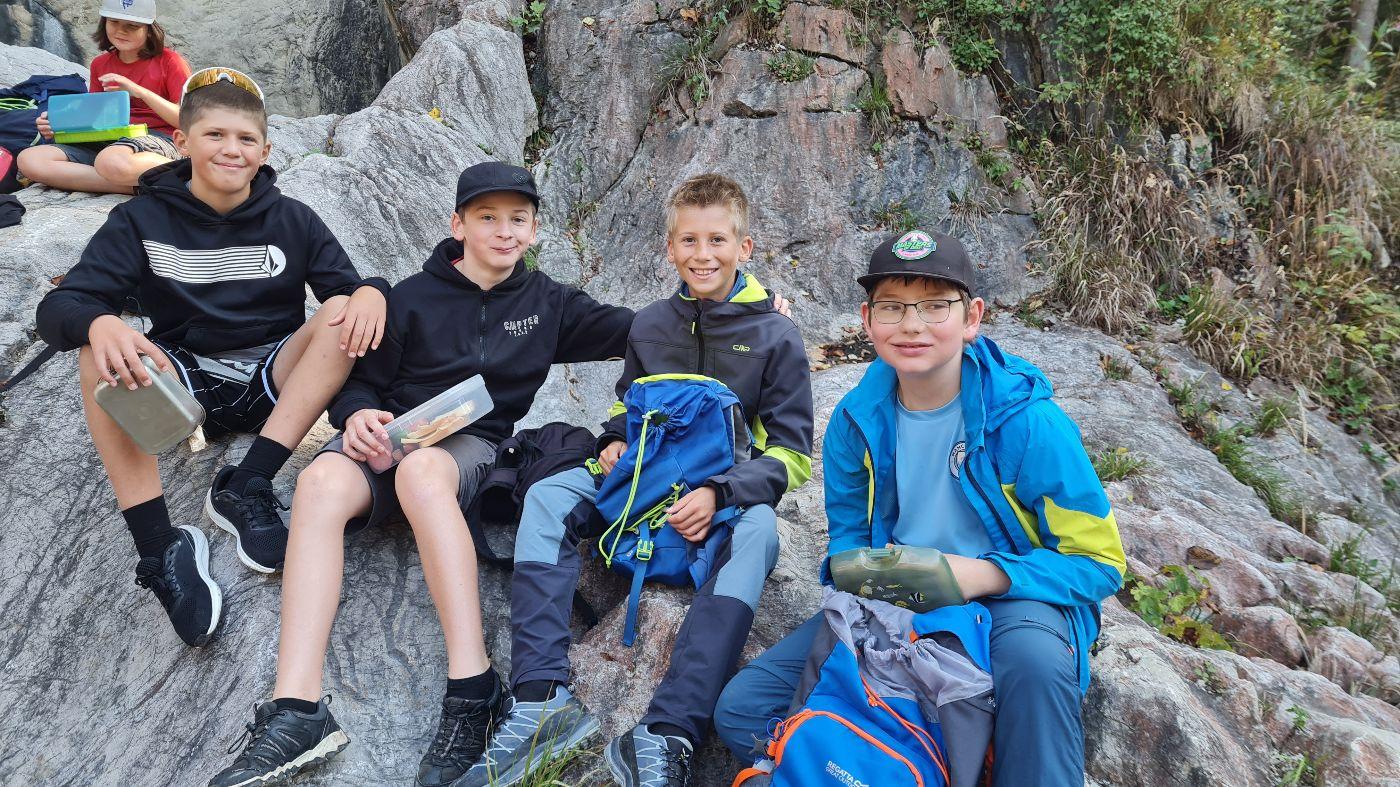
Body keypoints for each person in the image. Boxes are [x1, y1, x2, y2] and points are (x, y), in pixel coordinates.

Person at [206, 162, 641, 787]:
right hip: (389, 439)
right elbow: (359, 381)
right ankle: (297, 709)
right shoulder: (411, 297)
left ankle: (473, 686)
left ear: (535, 230)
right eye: (487, 218)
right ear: (457, 225)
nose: (504, 231)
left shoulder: (551, 304)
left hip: (469, 448)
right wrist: (356, 417)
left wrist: (748, 306)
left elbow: (648, 330)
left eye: (518, 219)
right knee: (318, 485)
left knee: (423, 474)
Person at [712, 230, 1127, 785]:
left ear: (972, 317)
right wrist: (859, 578)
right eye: (892, 306)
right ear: (867, 320)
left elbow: (1100, 563)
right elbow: (848, 537)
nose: (912, 325)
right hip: (901, 594)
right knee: (745, 708)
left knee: (1034, 668)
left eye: (935, 306)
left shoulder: (1027, 422)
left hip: (1014, 597)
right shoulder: (855, 423)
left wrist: (982, 574)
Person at [466, 174, 815, 787]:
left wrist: (722, 493)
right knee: (548, 494)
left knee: (760, 533)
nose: (702, 254)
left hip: (724, 495)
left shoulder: (775, 335)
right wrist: (611, 440)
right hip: (641, 481)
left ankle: (668, 733)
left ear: (744, 247)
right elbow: (627, 404)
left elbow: (792, 456)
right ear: (670, 247)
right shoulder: (651, 325)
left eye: (717, 240)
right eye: (689, 240)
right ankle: (540, 699)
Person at [34, 68, 389, 648]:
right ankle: (161, 548)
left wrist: (373, 291)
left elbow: (345, 288)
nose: (231, 149)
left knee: (342, 311)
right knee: (96, 353)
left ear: (265, 151)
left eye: (246, 139)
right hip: (184, 384)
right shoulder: (140, 219)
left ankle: (247, 483)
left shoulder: (293, 218)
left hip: (273, 381)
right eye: (215, 135)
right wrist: (100, 322)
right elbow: (60, 307)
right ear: (182, 141)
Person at [17, 0, 191, 194]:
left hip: (158, 139)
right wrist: (58, 123)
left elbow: (187, 121)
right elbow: (96, 118)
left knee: (111, 160)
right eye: (114, 22)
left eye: (132, 26)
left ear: (149, 30)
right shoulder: (100, 64)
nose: (121, 31)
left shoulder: (170, 62)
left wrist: (138, 91)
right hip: (110, 141)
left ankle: (180, 173)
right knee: (29, 159)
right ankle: (137, 186)